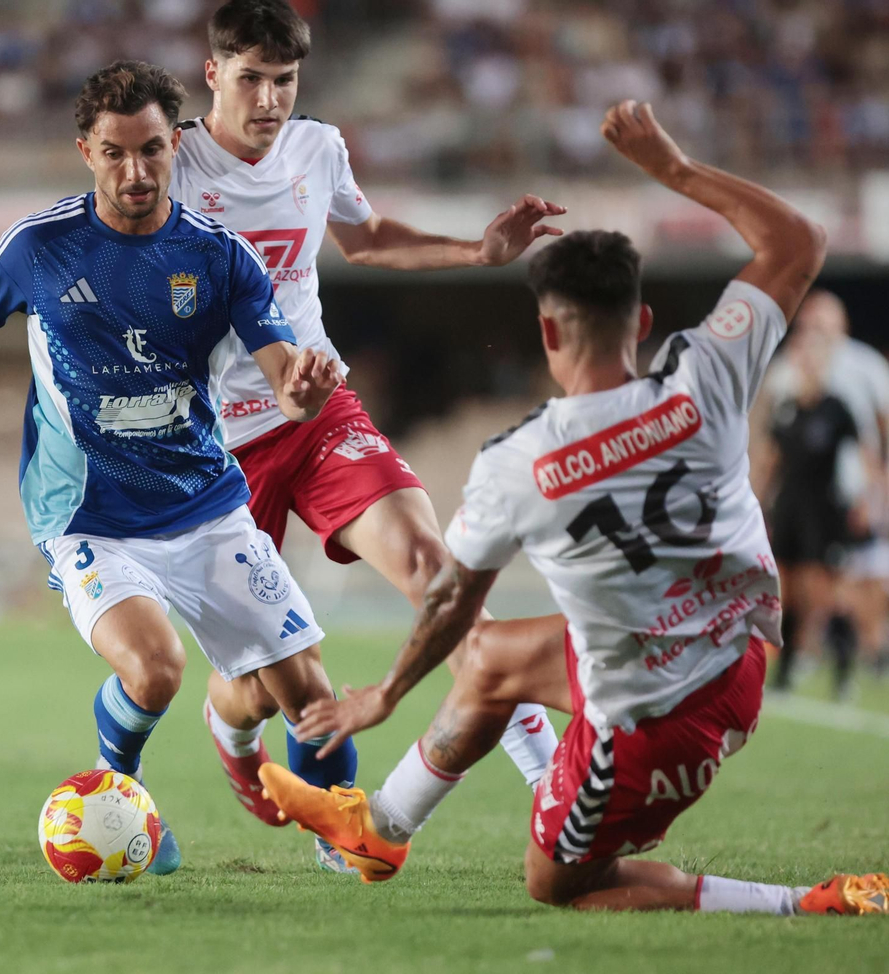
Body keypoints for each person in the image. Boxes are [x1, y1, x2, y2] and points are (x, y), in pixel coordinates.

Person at [258, 101, 885, 916]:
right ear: (646, 323)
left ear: (548, 335)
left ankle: (803, 903)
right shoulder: (707, 372)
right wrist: (673, 168)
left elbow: (451, 600)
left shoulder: (518, 461)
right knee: (489, 664)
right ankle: (378, 831)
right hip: (737, 663)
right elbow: (798, 240)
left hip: (650, 724)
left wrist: (383, 694)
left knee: (558, 886)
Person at [0, 59, 359, 878]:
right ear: (85, 151)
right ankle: (124, 791)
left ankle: (336, 834)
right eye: (115, 153)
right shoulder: (40, 247)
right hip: (88, 516)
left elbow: (284, 375)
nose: (135, 172)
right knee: (157, 668)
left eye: (150, 150)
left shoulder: (219, 257)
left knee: (310, 693)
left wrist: (304, 390)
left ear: (174, 144)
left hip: (206, 506)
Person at [168, 0, 564, 869]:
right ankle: (229, 732)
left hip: (318, 415)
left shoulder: (318, 147)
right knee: (256, 693)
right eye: (251, 79)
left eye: (285, 80)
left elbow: (366, 236)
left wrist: (477, 253)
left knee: (436, 571)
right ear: (213, 75)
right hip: (212, 450)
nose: (270, 99)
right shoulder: (170, 165)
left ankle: (551, 783)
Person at [757, 290, 889, 692]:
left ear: (841, 325)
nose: (815, 333)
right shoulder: (785, 372)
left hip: (843, 498)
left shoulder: (863, 367)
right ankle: (801, 658)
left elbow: (878, 433)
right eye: (809, 324)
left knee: (848, 583)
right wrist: (757, 496)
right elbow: (768, 443)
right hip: (794, 500)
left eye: (824, 324)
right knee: (792, 584)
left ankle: (864, 654)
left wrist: (878, 492)